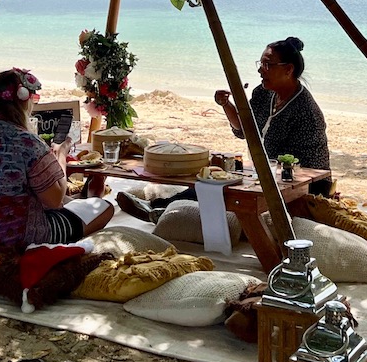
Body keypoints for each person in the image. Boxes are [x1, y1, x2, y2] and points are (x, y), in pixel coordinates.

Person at [116, 35, 332, 223]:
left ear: (288, 69)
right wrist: (227, 105)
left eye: (267, 65)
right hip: (268, 174)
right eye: (260, 63)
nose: (260, 69)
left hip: (302, 185)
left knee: (225, 187)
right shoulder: (264, 93)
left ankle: (160, 209)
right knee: (213, 179)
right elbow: (244, 130)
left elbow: (309, 170)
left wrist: (259, 177)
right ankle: (160, 207)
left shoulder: (306, 112)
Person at [0, 67, 114, 251]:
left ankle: (86, 198)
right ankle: (91, 200)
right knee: (105, 208)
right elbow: (55, 200)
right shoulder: (27, 143)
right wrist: (60, 154)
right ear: (24, 102)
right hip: (19, 239)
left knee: (70, 202)